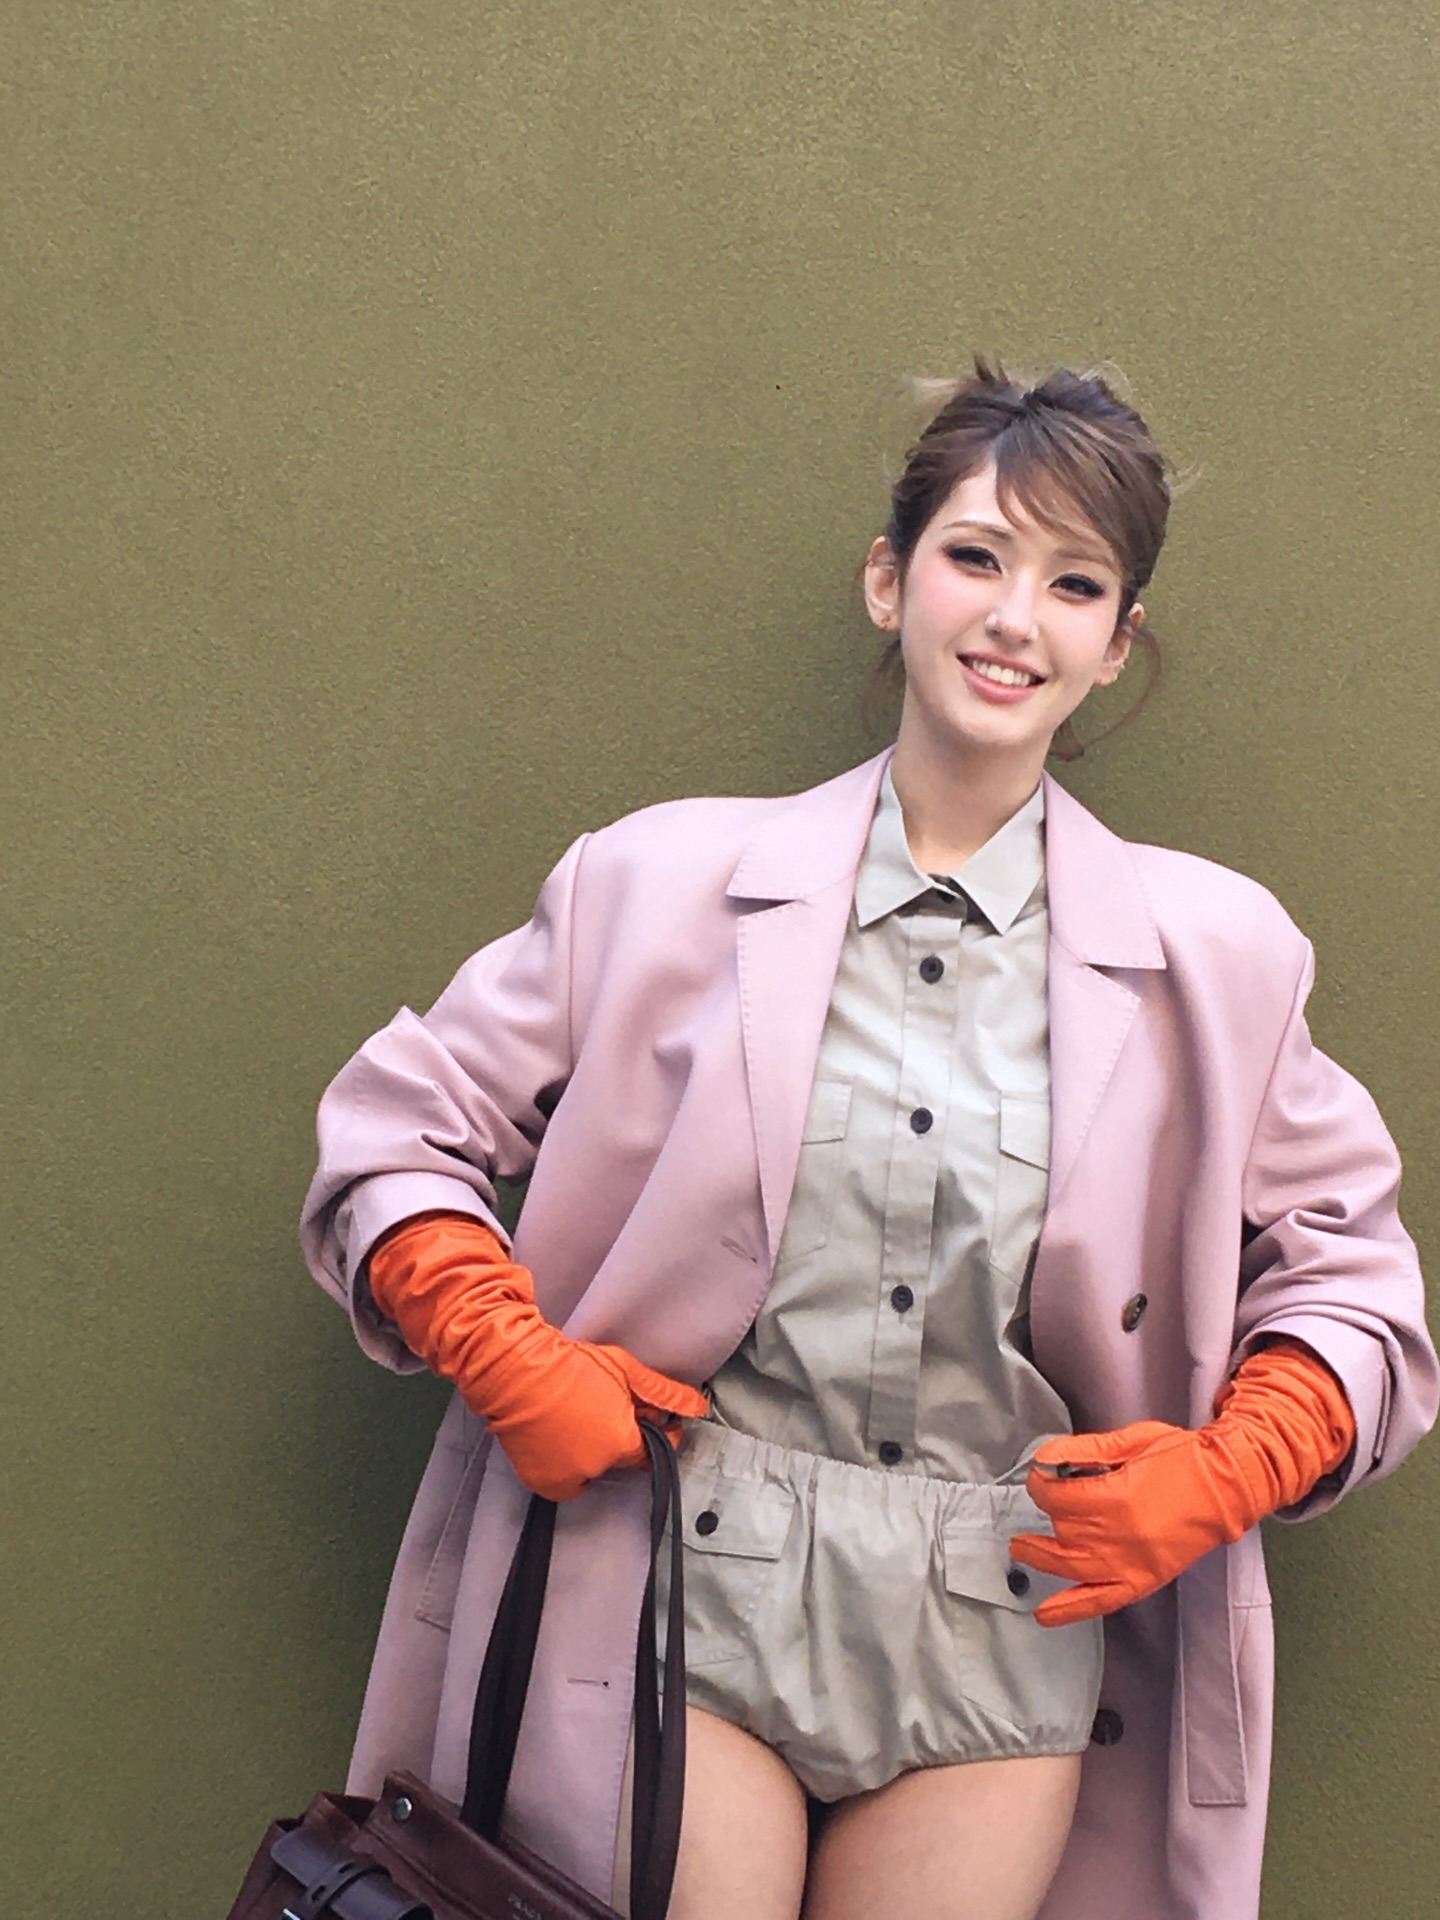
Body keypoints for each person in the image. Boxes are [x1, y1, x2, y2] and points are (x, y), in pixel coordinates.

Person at [300, 362, 1437, 1920]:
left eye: (1075, 584)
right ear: (890, 580)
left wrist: (1230, 1468)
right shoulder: (654, 882)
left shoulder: (1223, 958)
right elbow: (396, 1126)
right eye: (977, 556)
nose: (1015, 618)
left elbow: (1359, 1283)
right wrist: (503, 1349)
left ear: (1117, 644)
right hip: (679, 1588)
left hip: (1008, 1625)